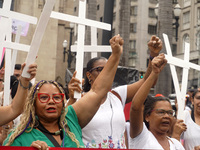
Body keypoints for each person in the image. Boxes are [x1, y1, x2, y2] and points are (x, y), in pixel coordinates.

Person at [3, 34, 123, 149]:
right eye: (44, 98)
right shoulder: (19, 138)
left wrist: (115, 55)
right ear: (33, 104)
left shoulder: (70, 119)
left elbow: (97, 91)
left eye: (57, 97)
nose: (51, 102)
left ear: (63, 102)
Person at [67, 35, 163, 148]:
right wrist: (72, 99)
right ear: (89, 75)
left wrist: (153, 55)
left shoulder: (117, 95)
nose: (106, 73)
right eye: (100, 70)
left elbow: (147, 82)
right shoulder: (77, 101)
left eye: (109, 68)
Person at [129, 53, 184, 149]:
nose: (167, 116)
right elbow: (136, 107)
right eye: (161, 112)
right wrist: (154, 73)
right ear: (147, 116)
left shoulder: (176, 144)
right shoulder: (141, 136)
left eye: (170, 113)